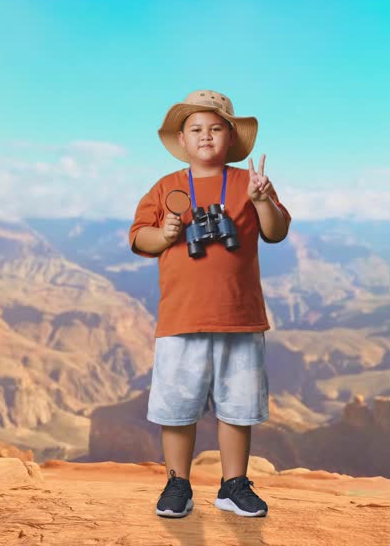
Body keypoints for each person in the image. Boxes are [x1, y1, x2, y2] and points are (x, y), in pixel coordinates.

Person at [128, 89, 291, 519]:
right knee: (178, 407)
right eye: (196, 129)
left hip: (240, 317)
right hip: (182, 318)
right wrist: (164, 234)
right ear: (181, 140)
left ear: (231, 137)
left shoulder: (245, 184)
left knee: (238, 407)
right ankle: (177, 483)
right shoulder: (166, 188)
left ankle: (232, 485)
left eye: (216, 129)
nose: (206, 136)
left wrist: (262, 200)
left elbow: (275, 232)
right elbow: (138, 237)